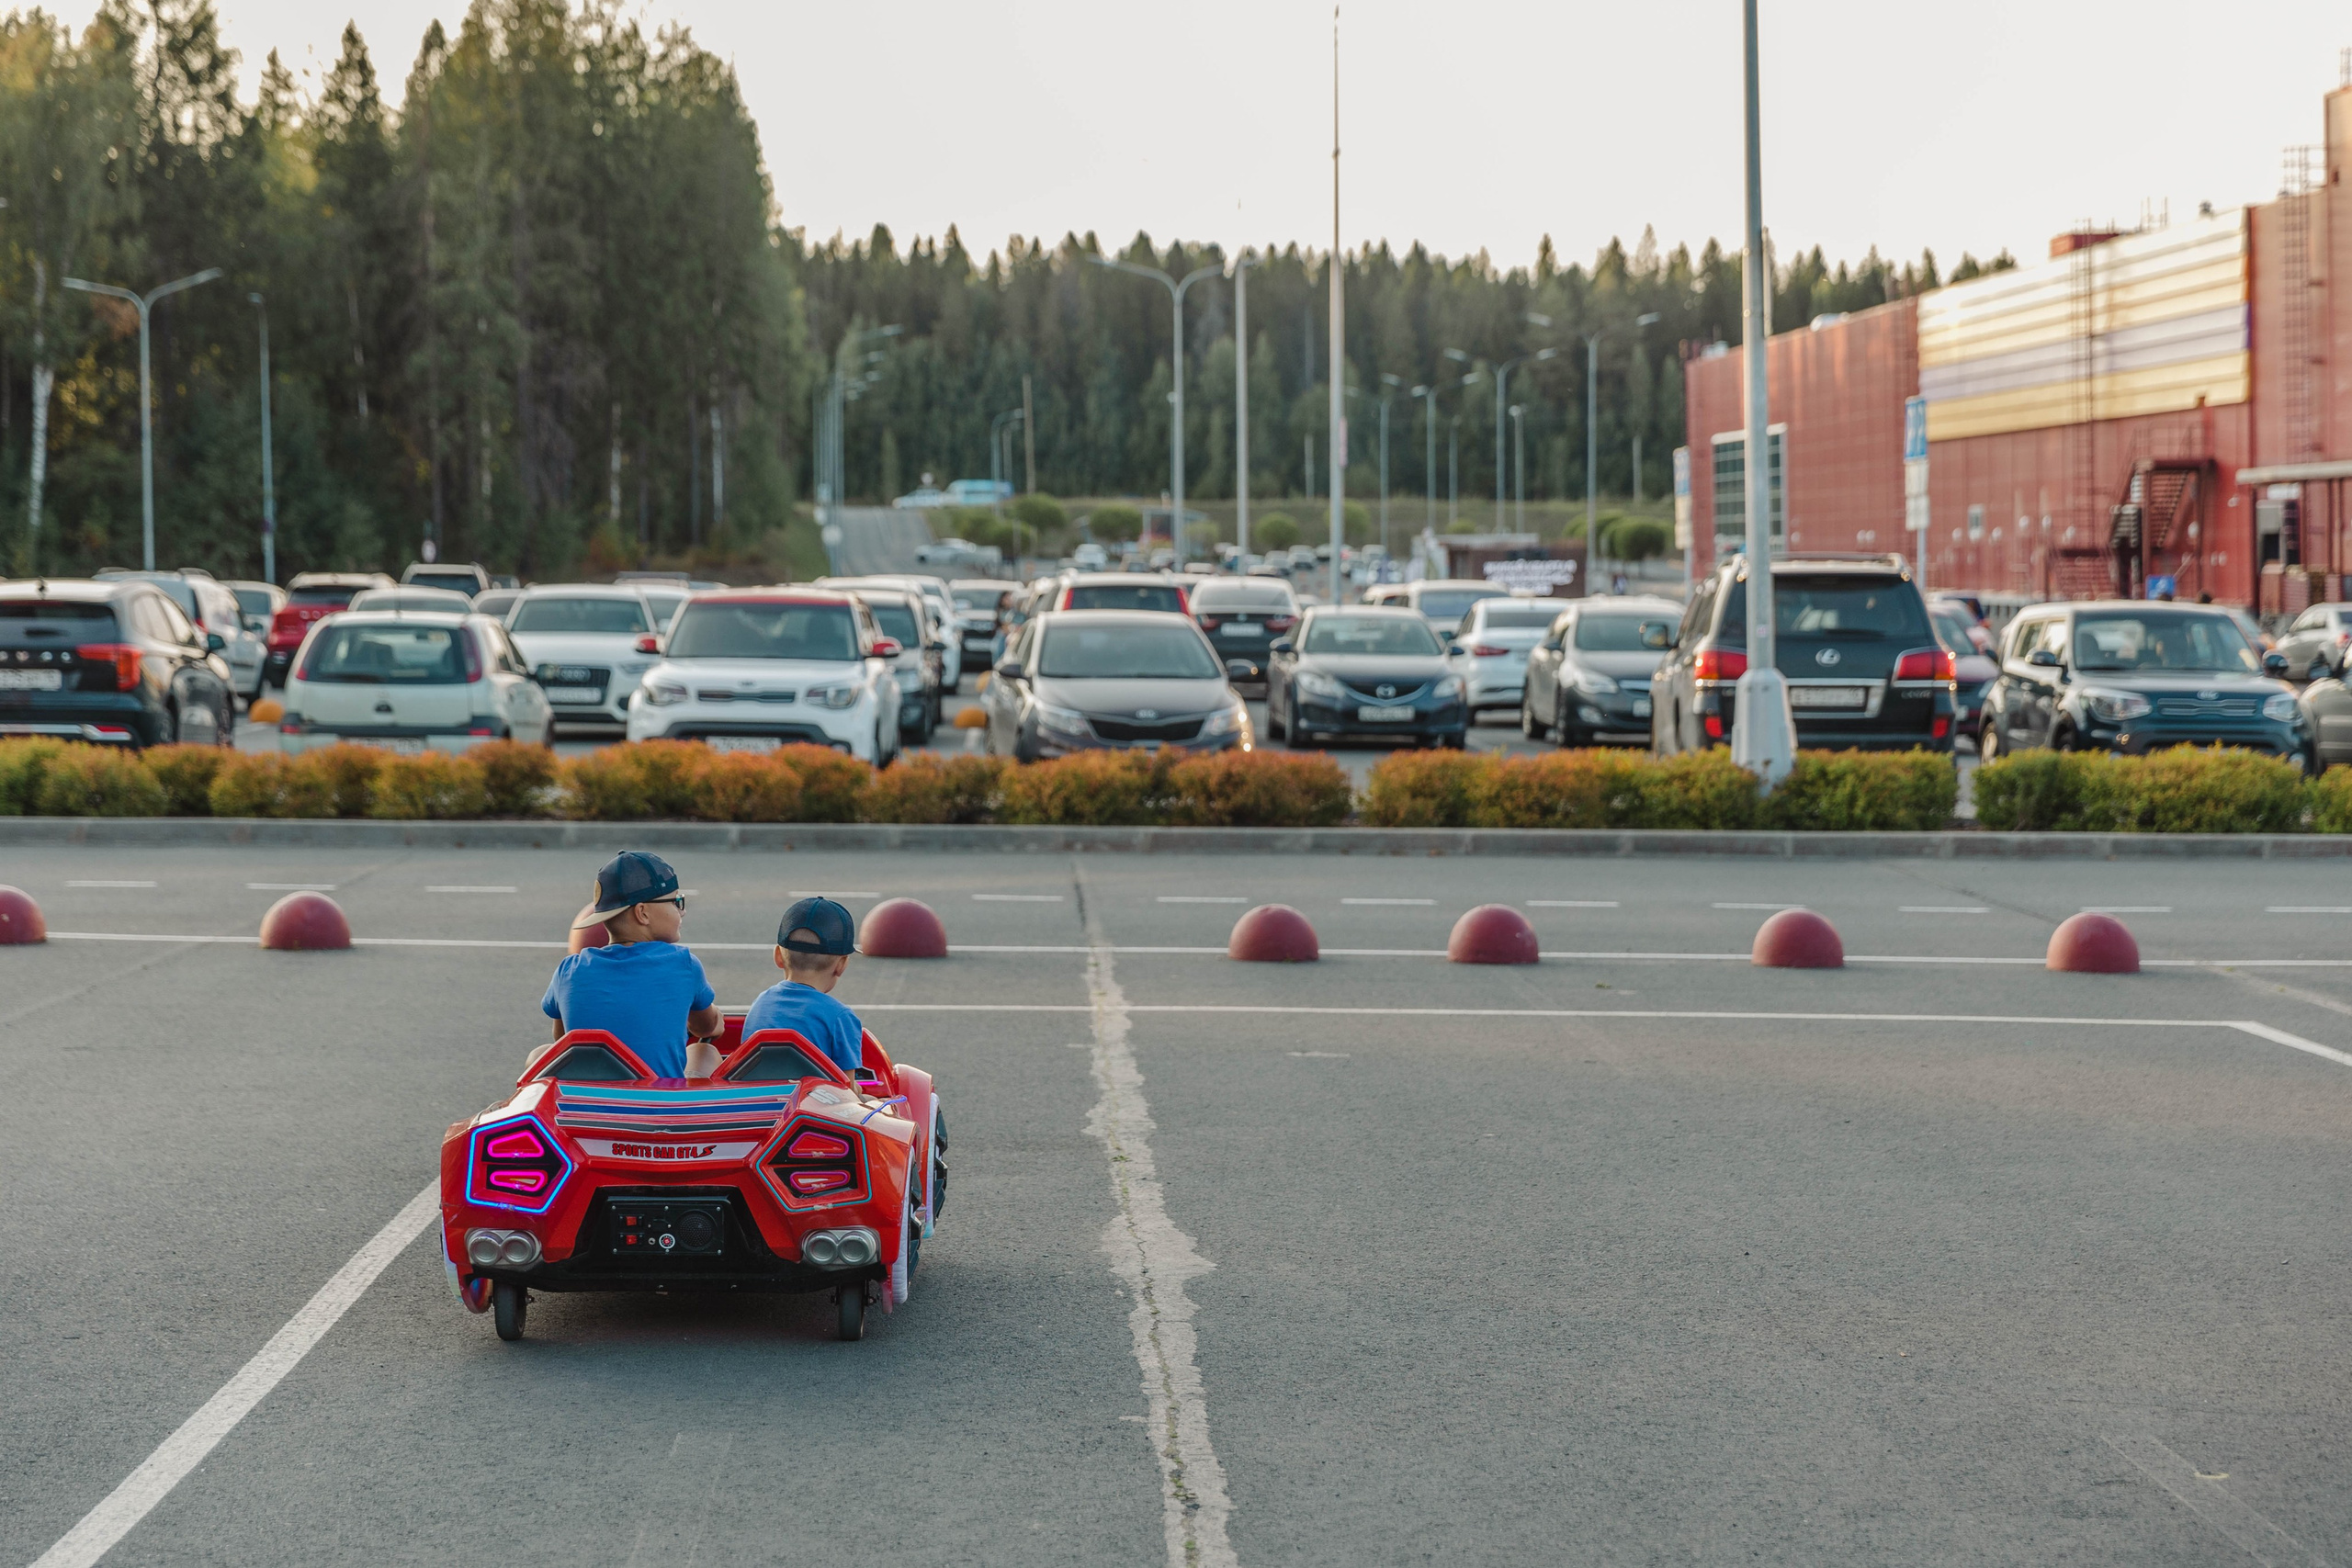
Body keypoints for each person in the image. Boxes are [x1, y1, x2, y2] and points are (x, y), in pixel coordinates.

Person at [541, 850, 719, 1077]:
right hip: (656, 1104)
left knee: (541, 1053)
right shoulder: (684, 964)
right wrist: (716, 1020)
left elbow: (562, 1039)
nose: (682, 912)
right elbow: (706, 1027)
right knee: (703, 1050)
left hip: (586, 1102)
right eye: (676, 902)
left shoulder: (568, 970)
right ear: (642, 913)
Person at [740, 895, 865, 1076]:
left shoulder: (761, 1003)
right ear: (841, 965)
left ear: (778, 956)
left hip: (761, 1099)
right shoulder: (840, 1017)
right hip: (813, 1102)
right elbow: (847, 1090)